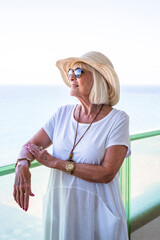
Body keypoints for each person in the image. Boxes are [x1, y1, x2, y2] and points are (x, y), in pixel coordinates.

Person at [13, 51, 131, 240]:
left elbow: (107, 173)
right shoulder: (62, 114)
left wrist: (55, 163)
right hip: (62, 211)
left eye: (78, 71)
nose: (71, 77)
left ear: (98, 78)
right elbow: (30, 146)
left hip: (99, 213)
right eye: (69, 72)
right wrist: (22, 165)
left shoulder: (118, 120)